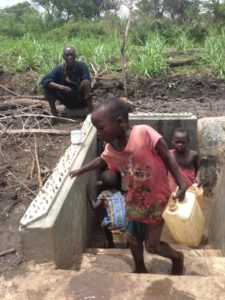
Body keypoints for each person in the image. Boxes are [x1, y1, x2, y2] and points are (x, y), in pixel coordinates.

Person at [69, 96, 187, 275]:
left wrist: (182, 183)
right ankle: (140, 267)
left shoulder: (144, 133)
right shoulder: (111, 149)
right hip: (133, 199)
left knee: (152, 246)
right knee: (132, 238)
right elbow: (100, 160)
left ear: (120, 122)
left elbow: (167, 157)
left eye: (101, 128)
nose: (98, 133)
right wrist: (80, 170)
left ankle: (177, 257)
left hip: (156, 199)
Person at [40, 46, 92, 117]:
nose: (70, 57)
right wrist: (63, 88)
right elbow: (44, 80)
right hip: (68, 100)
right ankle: (54, 114)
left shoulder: (81, 66)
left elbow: (86, 80)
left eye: (72, 55)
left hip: (80, 100)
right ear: (63, 57)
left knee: (86, 83)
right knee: (48, 86)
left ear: (75, 56)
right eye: (67, 55)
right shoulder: (59, 69)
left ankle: (91, 113)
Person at [87, 169, 126, 248]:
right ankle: (127, 245)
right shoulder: (120, 193)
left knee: (104, 220)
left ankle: (111, 242)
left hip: (112, 224)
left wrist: (88, 193)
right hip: (126, 223)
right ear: (116, 183)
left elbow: (94, 207)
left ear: (101, 184)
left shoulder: (104, 194)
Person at [168, 128, 201, 192]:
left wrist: (198, 177)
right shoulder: (168, 155)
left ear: (188, 141)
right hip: (173, 190)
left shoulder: (193, 155)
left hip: (190, 188)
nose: (180, 145)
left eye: (183, 142)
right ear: (172, 140)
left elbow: (198, 168)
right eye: (177, 142)